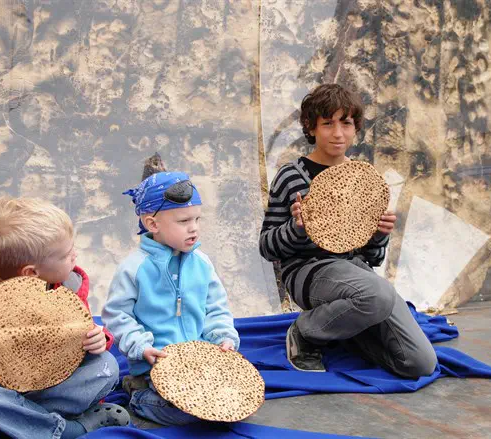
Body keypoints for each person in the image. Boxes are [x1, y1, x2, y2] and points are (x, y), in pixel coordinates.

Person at [259, 83, 437, 378]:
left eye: (346, 123)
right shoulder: (291, 176)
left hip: (356, 274)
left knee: (420, 363)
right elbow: (267, 247)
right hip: (308, 273)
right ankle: (305, 330)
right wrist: (298, 228)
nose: (338, 133)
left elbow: (371, 258)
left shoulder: (362, 179)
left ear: (356, 128)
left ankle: (347, 332)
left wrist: (379, 235)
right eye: (327, 123)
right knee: (378, 295)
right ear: (311, 127)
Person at [0, 197, 129, 439]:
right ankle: (71, 430)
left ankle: (9, 425)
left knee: (106, 365)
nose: (75, 255)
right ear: (31, 273)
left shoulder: (64, 293)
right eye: (66, 254)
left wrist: (98, 340)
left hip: (46, 391)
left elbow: (84, 333)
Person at [103, 170, 240, 426]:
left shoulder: (202, 263)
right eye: (183, 221)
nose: (194, 228)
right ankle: (139, 393)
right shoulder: (134, 268)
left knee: (232, 401)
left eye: (197, 219)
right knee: (185, 414)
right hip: (157, 365)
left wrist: (223, 338)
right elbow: (116, 316)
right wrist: (140, 347)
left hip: (199, 363)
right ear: (153, 224)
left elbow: (216, 309)